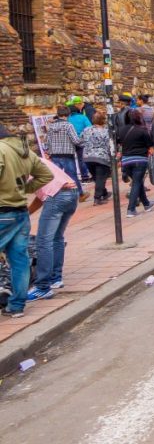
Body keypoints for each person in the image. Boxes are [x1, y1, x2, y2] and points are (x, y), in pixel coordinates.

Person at [0, 123, 53, 317]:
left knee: (18, 260)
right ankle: (16, 306)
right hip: (20, 212)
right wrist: (24, 189)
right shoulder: (24, 151)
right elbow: (46, 174)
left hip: (2, 211)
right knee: (19, 261)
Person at [26, 157, 79, 301]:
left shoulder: (18, 160)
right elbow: (42, 195)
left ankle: (43, 287)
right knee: (56, 238)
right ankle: (55, 278)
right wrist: (28, 213)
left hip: (58, 195)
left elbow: (48, 193)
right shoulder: (35, 158)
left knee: (43, 242)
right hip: (72, 193)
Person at [117, 110, 154, 217]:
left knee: (138, 182)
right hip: (139, 160)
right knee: (136, 183)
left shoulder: (121, 130)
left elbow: (118, 144)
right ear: (139, 118)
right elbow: (151, 148)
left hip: (126, 161)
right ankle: (131, 209)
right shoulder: (142, 130)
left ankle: (147, 204)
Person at [45, 105, 85, 200]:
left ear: (58, 114)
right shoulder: (68, 125)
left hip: (54, 154)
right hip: (67, 154)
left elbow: (48, 141)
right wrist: (83, 138)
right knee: (72, 175)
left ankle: (55, 196)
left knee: (56, 176)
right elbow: (76, 140)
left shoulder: (51, 126)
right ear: (68, 114)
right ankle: (79, 194)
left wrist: (48, 152)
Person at [81, 112, 112, 205]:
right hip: (101, 157)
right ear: (103, 120)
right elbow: (109, 145)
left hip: (88, 157)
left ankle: (104, 193)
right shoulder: (106, 131)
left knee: (96, 177)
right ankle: (97, 198)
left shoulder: (86, 130)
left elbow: (80, 141)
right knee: (101, 178)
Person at [67, 96, 93, 182]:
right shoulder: (83, 117)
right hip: (81, 141)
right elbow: (89, 127)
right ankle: (84, 177)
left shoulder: (67, 119)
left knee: (71, 160)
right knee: (81, 159)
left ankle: (72, 177)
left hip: (70, 141)